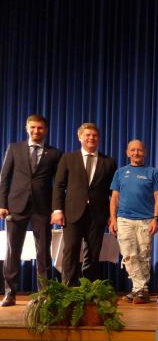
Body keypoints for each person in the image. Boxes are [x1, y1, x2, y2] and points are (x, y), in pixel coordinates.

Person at [0, 115, 62, 306]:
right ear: (27, 128)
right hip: (15, 207)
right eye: (33, 127)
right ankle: (10, 293)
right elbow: (4, 177)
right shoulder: (14, 148)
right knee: (13, 251)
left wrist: (56, 209)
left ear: (46, 130)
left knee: (43, 252)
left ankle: (43, 294)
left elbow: (58, 184)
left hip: (42, 208)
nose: (36, 131)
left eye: (40, 128)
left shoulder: (55, 153)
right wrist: (2, 204)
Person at [51, 123, 117, 286]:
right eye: (87, 135)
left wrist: (113, 215)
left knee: (93, 253)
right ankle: (68, 288)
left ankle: (89, 288)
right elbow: (59, 185)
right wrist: (57, 210)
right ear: (80, 137)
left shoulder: (108, 162)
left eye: (94, 135)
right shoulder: (68, 158)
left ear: (98, 139)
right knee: (70, 250)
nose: (91, 138)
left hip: (98, 214)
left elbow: (114, 192)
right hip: (72, 213)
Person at [109, 140, 158, 303]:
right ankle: (141, 289)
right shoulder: (120, 172)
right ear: (127, 152)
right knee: (128, 255)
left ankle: (138, 290)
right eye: (132, 150)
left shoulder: (153, 172)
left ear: (144, 152)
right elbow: (114, 198)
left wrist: (155, 219)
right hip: (124, 219)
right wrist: (113, 219)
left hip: (146, 220)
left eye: (139, 150)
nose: (136, 153)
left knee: (143, 255)